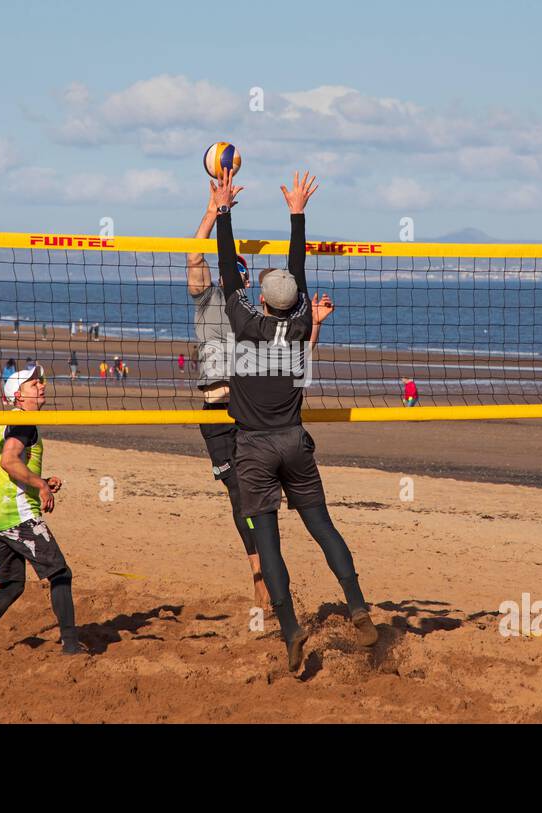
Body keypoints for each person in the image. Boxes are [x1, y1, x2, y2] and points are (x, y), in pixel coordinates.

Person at [214, 168, 377, 672]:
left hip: (254, 448)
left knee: (269, 542)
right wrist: (298, 212)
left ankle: (290, 631)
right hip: (294, 443)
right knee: (324, 527)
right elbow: (297, 270)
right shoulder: (303, 321)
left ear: (260, 301)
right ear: (294, 306)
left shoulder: (242, 323)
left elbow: (226, 267)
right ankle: (359, 608)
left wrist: (223, 209)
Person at [0, 365, 84, 656]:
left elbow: (11, 466)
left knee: (12, 586)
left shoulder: (8, 421)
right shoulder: (23, 422)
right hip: (18, 515)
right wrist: (40, 485)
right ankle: (72, 646)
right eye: (33, 383)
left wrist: (42, 479)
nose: (41, 386)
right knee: (60, 572)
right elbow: (9, 461)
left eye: (41, 381)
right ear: (18, 395)